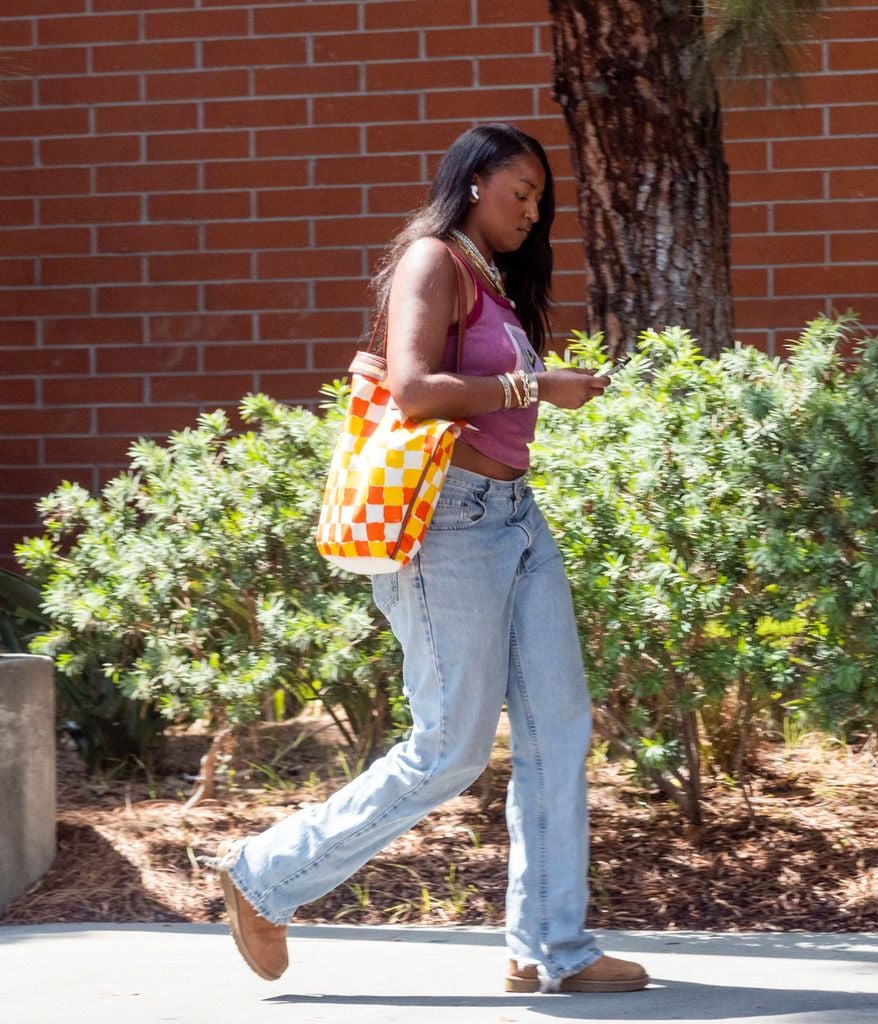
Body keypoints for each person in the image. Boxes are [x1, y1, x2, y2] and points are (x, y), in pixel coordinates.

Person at [209, 123, 649, 995]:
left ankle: (549, 950)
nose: (533, 211)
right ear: (475, 180)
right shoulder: (431, 260)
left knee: (559, 727)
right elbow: (411, 390)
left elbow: (483, 387)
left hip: (517, 519)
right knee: (449, 747)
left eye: (540, 200)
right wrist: (536, 387)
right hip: (449, 525)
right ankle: (264, 876)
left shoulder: (494, 281)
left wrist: (550, 385)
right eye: (520, 192)